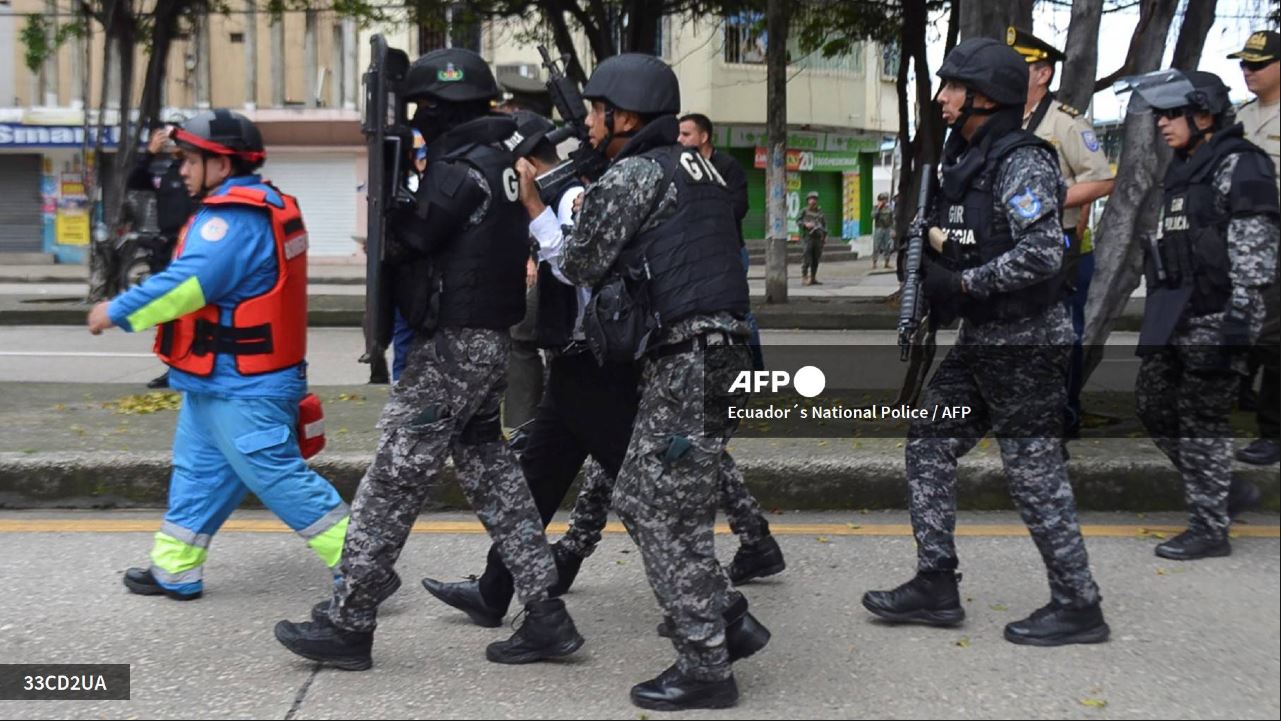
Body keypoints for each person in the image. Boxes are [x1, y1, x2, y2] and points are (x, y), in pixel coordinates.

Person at [273, 48, 583, 671]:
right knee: (496, 479)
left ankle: (349, 620)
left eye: (423, 111)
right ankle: (547, 614)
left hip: (454, 349)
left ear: (441, 111)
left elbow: (413, 239)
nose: (417, 121)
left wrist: (394, 209)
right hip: (488, 339)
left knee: (392, 478)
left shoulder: (457, 168)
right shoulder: (499, 158)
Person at [861, 38, 1109, 646]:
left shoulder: (1022, 160)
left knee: (1032, 472)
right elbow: (966, 236)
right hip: (984, 339)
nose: (942, 97)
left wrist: (963, 284)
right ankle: (936, 583)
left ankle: (1079, 604)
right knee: (929, 440)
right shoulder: (964, 158)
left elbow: (1046, 251)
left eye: (953, 88)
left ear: (985, 97)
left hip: (1026, 341)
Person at [560, 53, 770, 710]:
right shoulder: (698, 166)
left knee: (654, 505)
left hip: (687, 359)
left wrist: (559, 204)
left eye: (597, 112)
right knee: (665, 499)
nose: (590, 123)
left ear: (623, 116)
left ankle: (706, 663)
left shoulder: (631, 174)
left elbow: (577, 262)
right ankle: (727, 619)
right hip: (725, 351)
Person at [87, 109, 350, 601]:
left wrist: (116, 311)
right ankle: (175, 569)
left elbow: (187, 286)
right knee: (198, 473)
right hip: (216, 379)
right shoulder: (249, 208)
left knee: (280, 479)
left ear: (222, 165)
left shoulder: (233, 220)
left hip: (244, 385)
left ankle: (364, 566)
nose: (180, 170)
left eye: (188, 160)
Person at [1125, 69, 1279, 559]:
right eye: (1160, 116)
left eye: (1173, 114)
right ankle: (1224, 489)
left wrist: (1240, 320)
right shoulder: (1186, 166)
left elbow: (1255, 250)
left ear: (1205, 113)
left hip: (1220, 312)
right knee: (1153, 402)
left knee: (1202, 417)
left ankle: (1210, 527)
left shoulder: (1242, 164)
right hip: (1179, 312)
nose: (1163, 125)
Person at [1008, 27, 1116, 439]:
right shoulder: (1005, 120)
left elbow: (1102, 180)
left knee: (1061, 335)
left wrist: (1045, 200)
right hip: (1015, 248)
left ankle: (1065, 413)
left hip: (1062, 246)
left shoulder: (1067, 123)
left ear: (1043, 74)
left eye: (1022, 65)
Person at [1229, 30, 1281, 466]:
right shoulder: (1241, 119)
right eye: (1244, 64)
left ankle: (1273, 431)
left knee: (1274, 336)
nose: (1248, 71)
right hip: (1241, 243)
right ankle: (1243, 400)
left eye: (1258, 64)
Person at [678, 113, 765, 372]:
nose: (679, 139)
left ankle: (756, 369)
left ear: (703, 137)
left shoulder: (727, 166)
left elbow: (739, 206)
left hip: (728, 253)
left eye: (686, 134)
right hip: (694, 254)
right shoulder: (680, 167)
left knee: (739, 313)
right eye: (679, 133)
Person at [127, 123, 198, 389]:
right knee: (168, 313)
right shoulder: (165, 171)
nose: (170, 144)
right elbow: (134, 181)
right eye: (166, 140)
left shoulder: (198, 170)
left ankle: (194, 367)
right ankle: (173, 367)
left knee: (193, 312)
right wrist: (149, 153)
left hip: (192, 248)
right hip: (166, 250)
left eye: (174, 139)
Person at [798, 191, 827, 285]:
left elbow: (824, 225)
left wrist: (824, 237)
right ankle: (804, 277)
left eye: (815, 199)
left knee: (816, 259)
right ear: (808, 200)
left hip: (818, 238)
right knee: (806, 257)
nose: (813, 201)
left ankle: (813, 277)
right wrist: (806, 224)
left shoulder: (820, 212)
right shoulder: (804, 211)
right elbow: (798, 221)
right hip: (808, 237)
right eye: (811, 199)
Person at [872, 192, 895, 269]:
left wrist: (893, 230)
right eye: (882, 200)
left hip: (887, 229)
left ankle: (887, 263)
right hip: (879, 228)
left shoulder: (890, 208)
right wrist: (878, 208)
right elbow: (873, 216)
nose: (884, 201)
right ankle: (874, 262)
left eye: (885, 199)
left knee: (887, 246)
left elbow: (892, 220)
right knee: (876, 246)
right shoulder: (875, 208)